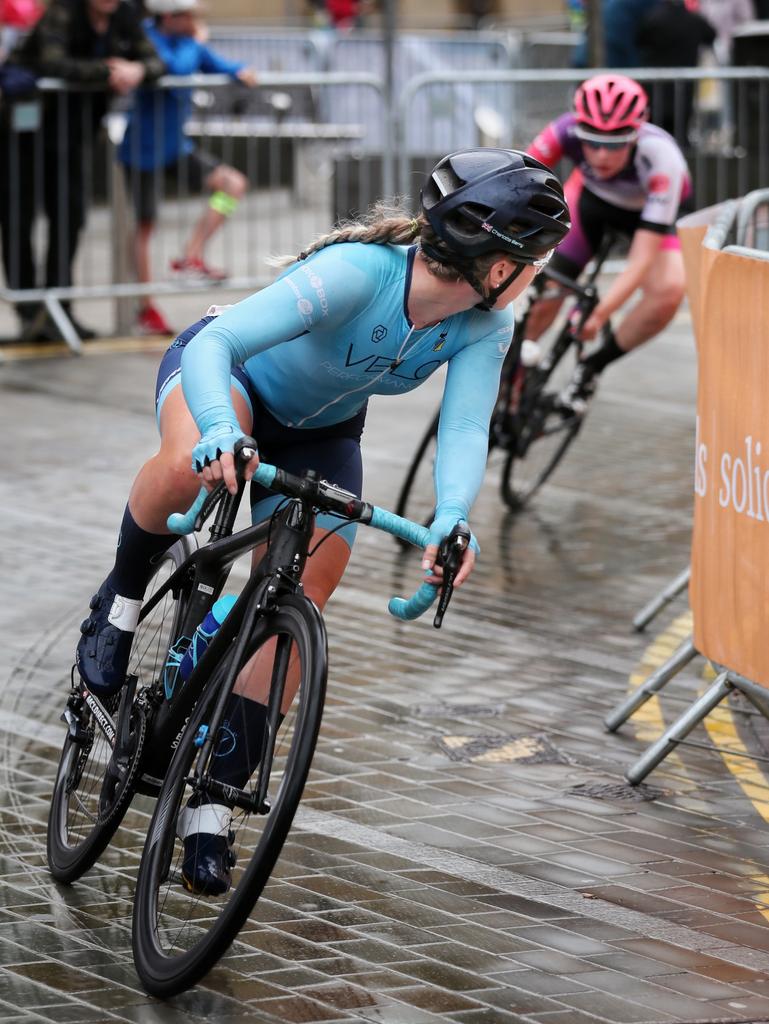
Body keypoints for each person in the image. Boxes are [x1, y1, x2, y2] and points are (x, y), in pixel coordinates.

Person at [74, 148, 570, 894]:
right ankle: (115, 606)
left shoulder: (482, 325)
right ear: (495, 265)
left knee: (302, 594)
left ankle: (213, 800)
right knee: (182, 465)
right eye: (534, 259)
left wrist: (454, 518)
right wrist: (213, 426)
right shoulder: (359, 274)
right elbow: (218, 342)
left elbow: (465, 428)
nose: (539, 273)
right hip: (228, 384)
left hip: (321, 432)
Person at [525, 74, 692, 410]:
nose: (601, 154)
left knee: (669, 292)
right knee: (548, 290)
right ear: (578, 127)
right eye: (591, 141)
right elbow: (514, 182)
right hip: (591, 201)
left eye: (616, 142)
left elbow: (641, 260)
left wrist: (600, 315)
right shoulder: (562, 130)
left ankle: (592, 367)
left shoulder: (662, 158)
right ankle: (512, 370)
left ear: (637, 132)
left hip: (650, 212)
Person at [0, 0, 164, 341]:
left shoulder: (125, 15)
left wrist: (137, 71)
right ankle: (30, 312)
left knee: (70, 219)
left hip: (74, 136)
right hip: (26, 133)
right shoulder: (63, 10)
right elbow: (53, 63)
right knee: (19, 219)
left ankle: (59, 310)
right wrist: (108, 72)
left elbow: (155, 61)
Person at [118, 0, 257, 338]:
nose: (195, 21)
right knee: (145, 226)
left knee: (232, 185)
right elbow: (176, 69)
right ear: (169, 16)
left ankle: (191, 254)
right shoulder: (150, 39)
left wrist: (240, 70)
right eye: (189, 15)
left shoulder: (187, 41)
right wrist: (198, 43)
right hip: (142, 151)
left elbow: (218, 64)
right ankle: (145, 306)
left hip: (175, 147)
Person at [636, 0, 716, 144]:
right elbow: (711, 35)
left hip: (657, 90)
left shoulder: (654, 18)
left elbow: (640, 40)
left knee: (656, 136)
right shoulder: (694, 20)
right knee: (680, 136)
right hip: (684, 90)